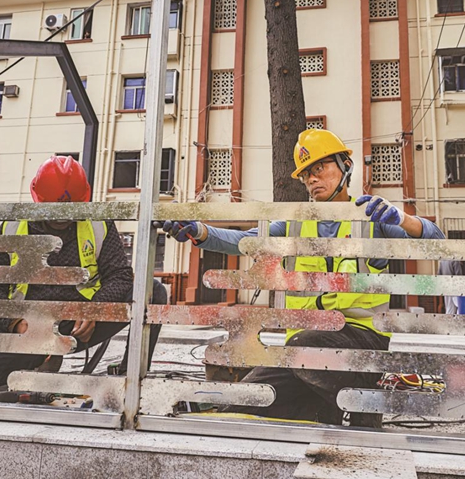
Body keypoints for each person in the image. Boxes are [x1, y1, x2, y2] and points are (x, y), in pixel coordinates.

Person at [159, 129, 444, 426]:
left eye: (319, 168)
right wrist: (200, 232)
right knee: (247, 399)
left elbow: (437, 242)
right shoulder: (296, 225)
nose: (312, 179)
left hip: (360, 342)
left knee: (306, 347)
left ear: (346, 166)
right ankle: (327, 408)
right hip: (302, 351)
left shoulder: (373, 219)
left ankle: (364, 402)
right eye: (307, 173)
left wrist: (402, 218)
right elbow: (244, 240)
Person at [0, 155, 166, 397]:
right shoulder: (13, 227)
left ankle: (129, 377)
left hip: (81, 323)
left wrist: (93, 311)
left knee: (153, 291)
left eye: (69, 213)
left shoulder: (98, 223)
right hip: (28, 329)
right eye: (55, 214)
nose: (62, 221)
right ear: (38, 200)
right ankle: (35, 363)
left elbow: (120, 276)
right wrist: (15, 323)